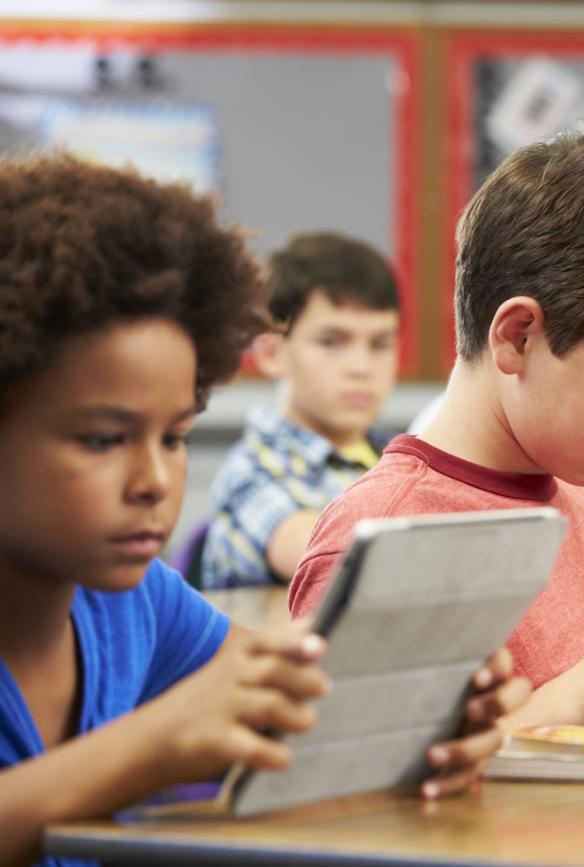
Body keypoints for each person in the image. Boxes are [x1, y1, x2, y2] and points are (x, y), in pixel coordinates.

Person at [0, 156, 526, 867]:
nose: (154, 479)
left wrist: (423, 703)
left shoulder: (133, 603)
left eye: (176, 437)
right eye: (103, 439)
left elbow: (295, 700)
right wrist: (152, 744)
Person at [290, 131, 584, 726]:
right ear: (518, 336)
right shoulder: (383, 537)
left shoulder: (568, 502)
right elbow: (347, 804)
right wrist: (580, 698)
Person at [201, 232, 400, 588]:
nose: (361, 367)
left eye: (380, 344)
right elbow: (339, 562)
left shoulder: (399, 457)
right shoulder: (250, 472)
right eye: (331, 342)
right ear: (272, 353)